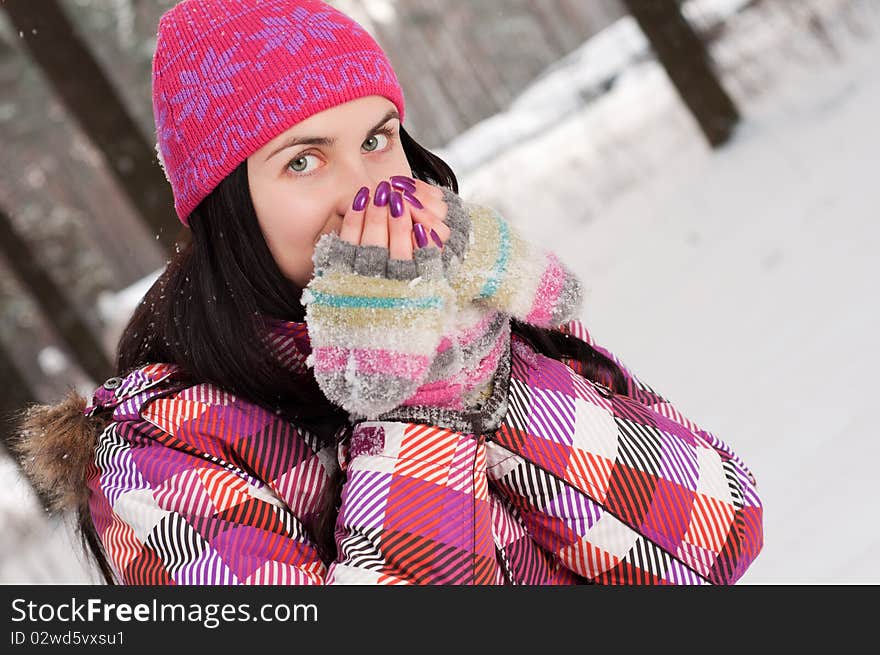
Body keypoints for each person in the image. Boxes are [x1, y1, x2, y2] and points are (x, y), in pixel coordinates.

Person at [13, 0, 763, 585]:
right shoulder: (156, 449)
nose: (366, 190)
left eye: (376, 139)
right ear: (227, 209)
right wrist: (411, 402)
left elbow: (716, 538)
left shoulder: (471, 313)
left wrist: (486, 371)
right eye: (304, 161)